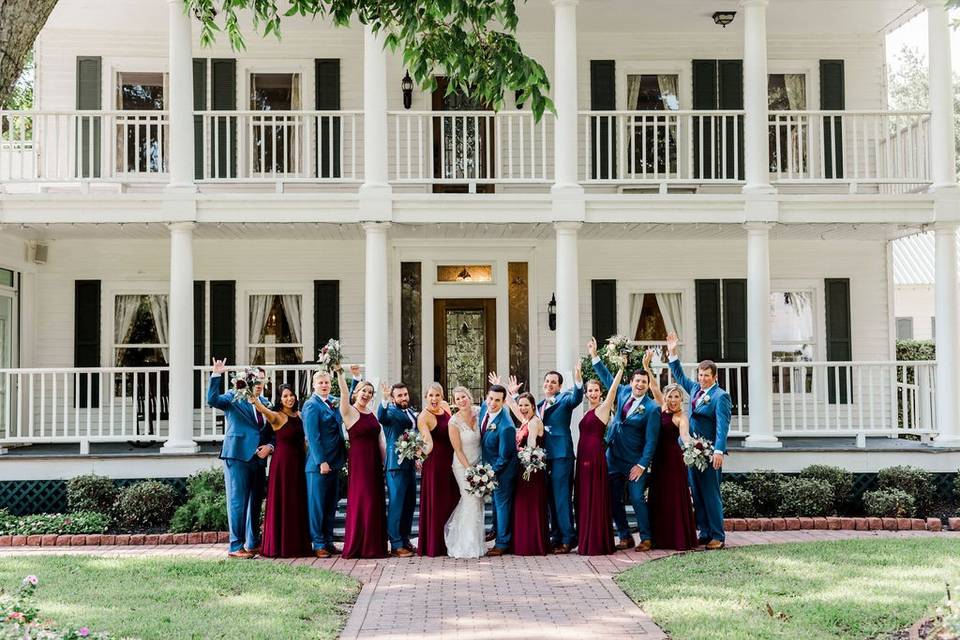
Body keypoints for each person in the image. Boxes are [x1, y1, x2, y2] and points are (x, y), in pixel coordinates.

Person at [588, 337, 661, 552]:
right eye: (637, 381)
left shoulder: (651, 409)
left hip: (633, 462)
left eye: (643, 382)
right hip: (613, 457)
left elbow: (651, 441)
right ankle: (624, 535)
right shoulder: (621, 393)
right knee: (612, 499)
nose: (639, 385)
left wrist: (641, 465)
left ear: (648, 386)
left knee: (637, 499)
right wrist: (594, 356)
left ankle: (646, 537)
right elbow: (606, 376)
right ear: (631, 382)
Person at [666, 332, 731, 550]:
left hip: (710, 451)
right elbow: (679, 376)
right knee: (698, 492)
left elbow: (723, 426)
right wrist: (673, 351)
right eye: (700, 374)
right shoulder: (694, 389)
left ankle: (718, 536)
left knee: (711, 494)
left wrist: (719, 451)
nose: (702, 378)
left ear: (715, 377)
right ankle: (704, 531)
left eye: (706, 375)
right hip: (693, 451)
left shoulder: (720, 396)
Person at [207, 359, 274, 559]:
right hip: (237, 456)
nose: (260, 383)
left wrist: (270, 447)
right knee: (237, 502)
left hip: (259, 460)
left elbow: (272, 432)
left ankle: (252, 543)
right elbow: (212, 400)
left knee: (255, 502)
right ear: (247, 380)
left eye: (263, 379)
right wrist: (216, 375)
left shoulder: (267, 404)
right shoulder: (233, 397)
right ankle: (236, 546)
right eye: (256, 379)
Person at [642, 350, 698, 551]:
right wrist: (647, 367)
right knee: (659, 496)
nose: (673, 400)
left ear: (680, 399)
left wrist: (692, 445)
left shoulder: (681, 417)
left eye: (676, 397)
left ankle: (678, 538)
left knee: (674, 496)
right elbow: (653, 386)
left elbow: (684, 435)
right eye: (670, 396)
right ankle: (660, 538)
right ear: (666, 397)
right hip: (659, 459)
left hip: (674, 460)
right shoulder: (662, 406)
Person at [252, 383, 311, 558]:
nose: (289, 398)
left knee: (297, 501)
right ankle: (281, 545)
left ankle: (298, 545)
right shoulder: (277, 416)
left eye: (291, 395)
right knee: (284, 500)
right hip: (283, 465)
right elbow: (262, 408)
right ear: (279, 399)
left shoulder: (299, 415)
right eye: (285, 396)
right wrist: (253, 395)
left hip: (299, 463)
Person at [337, 368, 387, 559]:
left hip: (374, 462)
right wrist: (340, 373)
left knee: (374, 501)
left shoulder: (372, 413)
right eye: (363, 390)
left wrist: (383, 463)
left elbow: (380, 440)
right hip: (359, 462)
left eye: (369, 392)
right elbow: (343, 392)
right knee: (363, 500)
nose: (366, 394)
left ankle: (375, 545)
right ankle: (360, 545)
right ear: (356, 392)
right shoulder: (349, 412)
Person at [575, 361, 623, 556]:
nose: (593, 393)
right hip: (583, 459)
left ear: (600, 393)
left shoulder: (603, 409)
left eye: (596, 390)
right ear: (586, 394)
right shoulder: (586, 411)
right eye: (590, 391)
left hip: (595, 458)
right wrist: (578, 378)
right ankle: (585, 538)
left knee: (594, 497)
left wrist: (620, 369)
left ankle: (595, 541)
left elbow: (613, 391)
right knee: (584, 498)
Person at [537, 367, 585, 554]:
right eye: (547, 381)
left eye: (553, 382)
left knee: (562, 498)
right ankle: (555, 536)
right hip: (544, 456)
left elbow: (577, 398)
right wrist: (514, 396)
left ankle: (568, 538)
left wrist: (578, 381)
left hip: (561, 455)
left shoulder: (565, 399)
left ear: (559, 386)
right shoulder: (540, 404)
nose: (549, 384)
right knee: (550, 498)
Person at [301, 370, 348, 558]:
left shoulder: (334, 401)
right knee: (318, 505)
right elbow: (313, 437)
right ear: (314, 385)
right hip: (318, 465)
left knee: (331, 505)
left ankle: (328, 540)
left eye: (326, 382)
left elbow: (348, 401)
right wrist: (321, 461)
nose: (324, 385)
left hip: (335, 461)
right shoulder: (311, 405)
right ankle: (318, 542)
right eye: (320, 382)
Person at [504, 385, 550, 556]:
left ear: (533, 407)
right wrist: (505, 390)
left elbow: (531, 447)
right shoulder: (525, 420)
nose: (522, 408)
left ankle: (531, 545)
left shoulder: (534, 422)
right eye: (521, 405)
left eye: (526, 405)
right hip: (522, 470)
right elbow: (512, 405)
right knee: (522, 506)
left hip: (530, 471)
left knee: (529, 506)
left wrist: (520, 454)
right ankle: (523, 542)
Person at [416, 382, 459, 557]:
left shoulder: (446, 407)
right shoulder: (423, 417)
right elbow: (429, 444)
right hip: (435, 463)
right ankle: (436, 544)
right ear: (426, 397)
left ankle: (453, 540)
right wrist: (418, 452)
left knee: (452, 498)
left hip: (452, 460)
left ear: (442, 397)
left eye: (437, 395)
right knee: (437, 501)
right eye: (431, 396)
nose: (434, 399)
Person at [444, 386, 487, 558]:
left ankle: (476, 543)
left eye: (464, 397)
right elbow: (458, 449)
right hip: (463, 466)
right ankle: (465, 545)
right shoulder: (453, 422)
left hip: (479, 465)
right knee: (470, 500)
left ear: (470, 397)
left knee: (478, 501)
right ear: (454, 403)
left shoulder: (479, 412)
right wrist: (469, 470)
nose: (461, 401)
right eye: (457, 399)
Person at [378, 382, 418, 558]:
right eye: (400, 396)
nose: (404, 398)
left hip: (409, 464)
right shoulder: (390, 412)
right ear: (393, 398)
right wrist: (384, 400)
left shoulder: (409, 411)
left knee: (409, 503)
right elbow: (381, 417)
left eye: (405, 394)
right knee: (397, 504)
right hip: (395, 466)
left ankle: (404, 538)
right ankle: (395, 544)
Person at [479, 383, 517, 557]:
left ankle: (502, 543)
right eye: (490, 398)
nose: (492, 403)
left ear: (503, 402)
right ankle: (495, 529)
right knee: (494, 503)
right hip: (490, 467)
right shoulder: (483, 410)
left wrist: (490, 474)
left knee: (502, 505)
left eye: (497, 400)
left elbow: (505, 456)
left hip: (503, 471)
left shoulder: (506, 425)